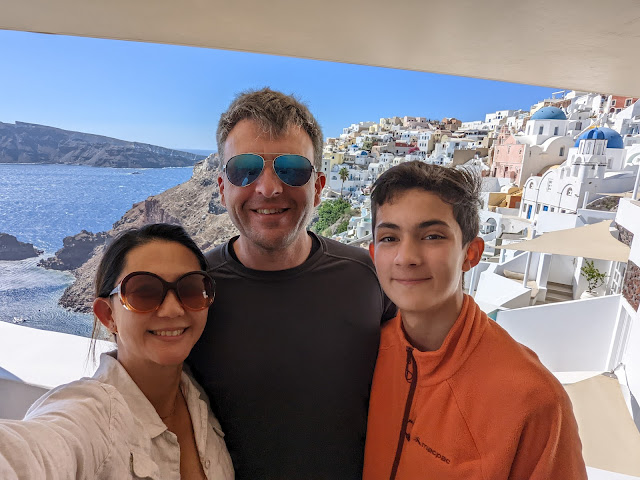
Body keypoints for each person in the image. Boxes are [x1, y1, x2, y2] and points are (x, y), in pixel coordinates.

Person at [188, 88, 396, 479]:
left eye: (292, 169)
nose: (268, 188)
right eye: (245, 169)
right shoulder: (192, 291)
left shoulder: (367, 276)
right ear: (222, 187)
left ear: (317, 187)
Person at [363, 161, 587, 479]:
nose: (406, 257)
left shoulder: (534, 400)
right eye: (389, 238)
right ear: (373, 254)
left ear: (471, 254)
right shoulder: (366, 353)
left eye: (432, 236)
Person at [0, 224, 234, 480]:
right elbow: (31, 453)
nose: (173, 310)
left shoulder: (201, 395)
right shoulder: (91, 416)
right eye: (144, 292)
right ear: (108, 315)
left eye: (190, 289)